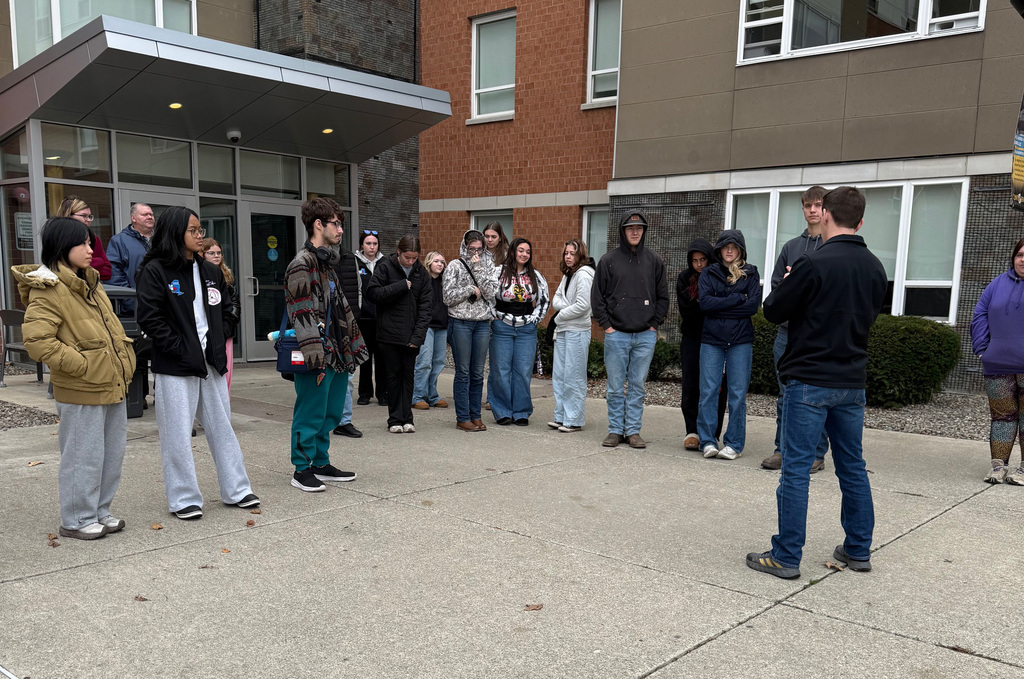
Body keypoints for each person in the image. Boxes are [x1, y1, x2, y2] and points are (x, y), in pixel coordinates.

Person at [747, 186, 887, 580]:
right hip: (852, 381)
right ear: (860, 221)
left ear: (825, 214)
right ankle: (858, 548)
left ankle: (786, 555)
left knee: (795, 470)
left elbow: (772, 310)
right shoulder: (876, 267)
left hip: (809, 379)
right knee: (852, 467)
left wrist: (791, 282)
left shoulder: (811, 262)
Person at [13, 217, 136, 539]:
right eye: (82, 243)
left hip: (111, 383)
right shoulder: (48, 289)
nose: (90, 249)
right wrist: (83, 365)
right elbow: (38, 342)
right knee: (83, 457)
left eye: (89, 242)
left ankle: (99, 510)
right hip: (81, 387)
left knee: (110, 456)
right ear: (62, 246)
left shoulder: (90, 283)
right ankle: (77, 518)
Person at [135, 207, 258, 520]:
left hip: (211, 363)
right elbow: (150, 318)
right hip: (175, 366)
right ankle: (184, 498)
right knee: (177, 434)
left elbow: (228, 308)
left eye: (200, 230)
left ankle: (237, 489)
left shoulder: (210, 271)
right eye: (193, 230)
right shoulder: (155, 271)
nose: (199, 235)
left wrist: (221, 335)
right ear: (176, 233)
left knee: (222, 428)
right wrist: (179, 348)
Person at [284, 198, 367, 492]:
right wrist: (314, 358)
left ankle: (320, 462)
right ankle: (301, 468)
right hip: (317, 354)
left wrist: (353, 347)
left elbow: (342, 308)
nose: (341, 230)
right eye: (336, 223)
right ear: (318, 225)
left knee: (330, 412)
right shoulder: (301, 264)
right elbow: (301, 313)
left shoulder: (327, 264)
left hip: (336, 352)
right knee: (310, 412)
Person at [762, 186, 830, 473]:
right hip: (787, 335)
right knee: (786, 395)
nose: (812, 210)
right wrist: (791, 285)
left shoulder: (831, 247)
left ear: (826, 210)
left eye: (818, 205)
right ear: (802, 209)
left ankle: (815, 453)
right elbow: (776, 289)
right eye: (807, 205)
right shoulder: (790, 247)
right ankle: (782, 449)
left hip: (816, 336)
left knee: (817, 396)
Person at [592, 210, 669, 449]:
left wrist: (654, 325)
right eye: (630, 228)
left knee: (637, 386)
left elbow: (663, 297)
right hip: (616, 335)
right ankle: (616, 430)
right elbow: (597, 298)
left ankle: (633, 431)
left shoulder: (654, 261)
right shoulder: (608, 261)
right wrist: (607, 326)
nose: (635, 232)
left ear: (644, 231)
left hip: (645, 335)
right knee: (615, 387)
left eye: (639, 228)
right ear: (622, 231)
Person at [697, 230, 761, 460]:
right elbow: (705, 304)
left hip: (740, 341)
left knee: (737, 394)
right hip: (712, 340)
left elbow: (752, 307)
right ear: (719, 250)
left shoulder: (751, 273)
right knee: (708, 391)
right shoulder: (709, 273)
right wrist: (737, 298)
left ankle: (734, 443)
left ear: (741, 250)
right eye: (726, 246)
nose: (729, 250)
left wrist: (721, 306)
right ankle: (707, 441)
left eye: (734, 247)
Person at [970, 236, 1024, 485]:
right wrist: (982, 349)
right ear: (1013, 258)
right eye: (1020, 255)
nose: (1023, 260)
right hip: (998, 365)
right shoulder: (997, 284)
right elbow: (980, 313)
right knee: (1002, 417)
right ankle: (998, 467)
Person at [365, 235, 432, 433]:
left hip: (411, 335)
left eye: (414, 258)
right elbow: (373, 293)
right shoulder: (385, 267)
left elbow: (426, 307)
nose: (410, 262)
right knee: (393, 377)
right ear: (398, 252)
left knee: (408, 376)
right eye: (407, 258)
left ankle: (407, 418)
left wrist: (418, 336)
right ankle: (394, 419)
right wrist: (400, 286)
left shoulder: (421, 273)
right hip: (389, 335)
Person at [490, 237, 549, 426]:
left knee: (523, 371)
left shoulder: (535, 275)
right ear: (513, 251)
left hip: (526, 329)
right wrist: (494, 316)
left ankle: (521, 412)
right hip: (502, 327)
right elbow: (487, 296)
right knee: (500, 370)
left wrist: (535, 320)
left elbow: (544, 300)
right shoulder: (498, 272)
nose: (524, 254)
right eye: (521, 250)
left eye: (528, 252)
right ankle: (502, 411)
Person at [443, 230, 498, 432]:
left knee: (477, 373)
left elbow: (491, 293)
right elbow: (447, 297)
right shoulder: (454, 266)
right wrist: (469, 290)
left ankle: (476, 416)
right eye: (471, 249)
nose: (475, 253)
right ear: (464, 246)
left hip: (482, 323)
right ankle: (463, 417)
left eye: (479, 249)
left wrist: (478, 268)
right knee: (463, 372)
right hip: (460, 323)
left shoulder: (488, 265)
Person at [675, 238, 726, 450]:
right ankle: (692, 430)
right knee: (691, 383)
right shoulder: (684, 278)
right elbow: (687, 311)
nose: (699, 264)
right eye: (694, 260)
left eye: (702, 259)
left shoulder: (719, 275)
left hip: (715, 337)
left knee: (716, 386)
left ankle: (712, 432)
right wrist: (710, 305)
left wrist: (710, 306)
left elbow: (723, 307)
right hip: (692, 337)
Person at [548, 239, 593, 433]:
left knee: (573, 376)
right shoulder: (568, 274)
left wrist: (559, 317)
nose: (568, 256)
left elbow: (583, 305)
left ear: (580, 254)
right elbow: (555, 299)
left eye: (572, 253)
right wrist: (567, 309)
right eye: (566, 253)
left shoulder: (584, 274)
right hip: (564, 330)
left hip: (578, 330)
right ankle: (561, 416)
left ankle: (574, 419)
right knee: (560, 374)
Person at [331, 239, 364, 438]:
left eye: (340, 225)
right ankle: (323, 419)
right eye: (335, 225)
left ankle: (344, 421)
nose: (340, 230)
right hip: (326, 325)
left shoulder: (351, 258)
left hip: (348, 323)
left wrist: (355, 315)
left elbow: (358, 289)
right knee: (323, 376)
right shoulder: (313, 258)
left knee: (348, 376)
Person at [412, 251, 450, 410]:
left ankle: (432, 395)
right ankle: (417, 396)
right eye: (436, 261)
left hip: (442, 326)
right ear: (428, 263)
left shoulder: (445, 282)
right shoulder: (422, 280)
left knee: (439, 362)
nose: (440, 264)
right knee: (424, 361)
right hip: (426, 326)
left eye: (442, 262)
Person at [201, 238, 240, 391]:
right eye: (211, 253)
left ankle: (225, 400)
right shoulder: (198, 274)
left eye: (219, 253)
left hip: (225, 331)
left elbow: (234, 303)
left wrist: (227, 325)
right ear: (202, 254)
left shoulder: (227, 275)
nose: (216, 256)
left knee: (225, 371)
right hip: (206, 330)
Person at [355, 230, 387, 406]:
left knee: (382, 358)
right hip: (364, 318)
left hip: (381, 317)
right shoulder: (355, 262)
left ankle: (383, 393)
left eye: (375, 243)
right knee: (365, 358)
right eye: (368, 243)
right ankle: (365, 393)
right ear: (362, 245)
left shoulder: (385, 262)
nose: (372, 247)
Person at [107, 202, 155, 311]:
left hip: (162, 307)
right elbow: (114, 275)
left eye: (151, 214)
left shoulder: (162, 240)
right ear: (133, 218)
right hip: (134, 310)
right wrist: (132, 303)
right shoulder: (119, 241)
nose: (150, 217)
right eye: (145, 214)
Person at [482, 222, 509, 412]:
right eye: (487, 236)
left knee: (497, 360)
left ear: (500, 237)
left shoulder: (506, 256)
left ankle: (493, 398)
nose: (489, 240)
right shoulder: (478, 252)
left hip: (499, 312)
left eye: (493, 237)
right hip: (480, 309)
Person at [56, 195, 111, 280]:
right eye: (84, 216)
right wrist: (99, 262)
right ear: (69, 215)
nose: (88, 220)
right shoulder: (56, 238)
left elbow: (107, 272)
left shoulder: (94, 238)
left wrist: (84, 264)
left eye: (89, 216)